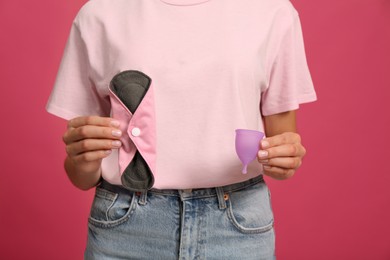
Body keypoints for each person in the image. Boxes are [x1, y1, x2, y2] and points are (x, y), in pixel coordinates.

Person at [46, 0, 317, 259]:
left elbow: (283, 150)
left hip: (238, 225)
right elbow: (81, 176)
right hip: (126, 226)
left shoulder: (273, 12)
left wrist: (285, 158)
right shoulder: (98, 15)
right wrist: (82, 158)